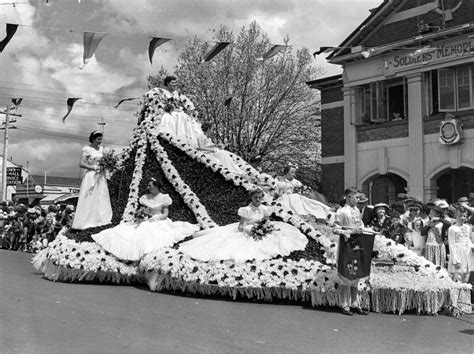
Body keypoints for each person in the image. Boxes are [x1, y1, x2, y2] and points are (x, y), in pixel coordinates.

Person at [178, 188, 308, 262]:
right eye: (255, 198)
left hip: (261, 228)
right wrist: (251, 231)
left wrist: (266, 227)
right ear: (251, 198)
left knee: (279, 237)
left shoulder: (264, 208)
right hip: (248, 229)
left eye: (260, 197)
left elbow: (267, 220)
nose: (258, 200)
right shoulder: (246, 210)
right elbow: (241, 226)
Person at [92, 178, 199, 261]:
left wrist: (157, 217)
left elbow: (165, 214)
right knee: (126, 230)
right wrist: (141, 216)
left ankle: (142, 253)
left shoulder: (164, 198)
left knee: (147, 229)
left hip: (159, 221)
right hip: (146, 219)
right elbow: (143, 210)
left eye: (150, 185)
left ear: (156, 186)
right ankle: (130, 254)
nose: (148, 187)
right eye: (148, 185)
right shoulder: (145, 197)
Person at [333, 187, 374, 316]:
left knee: (356, 274)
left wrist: (365, 230)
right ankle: (345, 304)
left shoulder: (357, 210)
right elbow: (335, 228)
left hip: (358, 243)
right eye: (356, 197)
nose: (358, 200)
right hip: (347, 244)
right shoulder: (341, 211)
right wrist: (347, 232)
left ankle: (355, 304)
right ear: (349, 197)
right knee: (346, 274)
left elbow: (360, 225)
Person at [72, 131, 113, 230]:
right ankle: (85, 221)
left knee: (100, 196)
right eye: (98, 139)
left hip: (100, 176)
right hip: (91, 175)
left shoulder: (102, 150)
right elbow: (81, 163)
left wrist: (105, 166)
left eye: (101, 139)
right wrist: (93, 167)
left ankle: (101, 220)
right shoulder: (86, 149)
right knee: (89, 196)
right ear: (93, 139)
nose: (100, 141)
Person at [159, 76, 202, 147]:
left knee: (185, 119)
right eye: (173, 83)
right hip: (169, 114)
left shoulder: (177, 93)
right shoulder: (163, 93)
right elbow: (160, 104)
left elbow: (187, 102)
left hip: (179, 113)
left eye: (175, 83)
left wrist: (191, 109)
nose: (175, 84)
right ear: (167, 83)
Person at [447, 206, 472, 283]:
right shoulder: (452, 228)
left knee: (467, 276)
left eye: (464, 216)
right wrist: (455, 260)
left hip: (467, 254)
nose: (462, 218)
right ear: (456, 216)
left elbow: (469, 240)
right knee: (458, 276)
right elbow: (451, 244)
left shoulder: (468, 227)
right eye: (460, 216)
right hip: (458, 254)